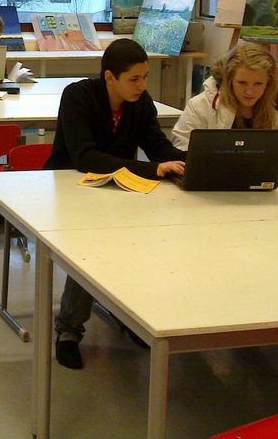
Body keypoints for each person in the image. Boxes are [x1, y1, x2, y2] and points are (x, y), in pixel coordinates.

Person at [46, 38, 186, 370]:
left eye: (145, 77)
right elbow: (84, 157)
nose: (142, 85)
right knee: (90, 247)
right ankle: (68, 331)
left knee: (137, 243)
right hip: (69, 190)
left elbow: (158, 147)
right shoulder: (78, 96)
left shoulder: (140, 102)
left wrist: (191, 160)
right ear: (110, 77)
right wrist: (153, 169)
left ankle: (129, 315)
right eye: (134, 79)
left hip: (117, 190)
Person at [172, 42, 278, 165]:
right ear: (229, 80)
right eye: (242, 82)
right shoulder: (202, 105)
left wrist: (272, 154)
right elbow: (180, 151)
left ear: (269, 83)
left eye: (258, 84)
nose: (249, 92)